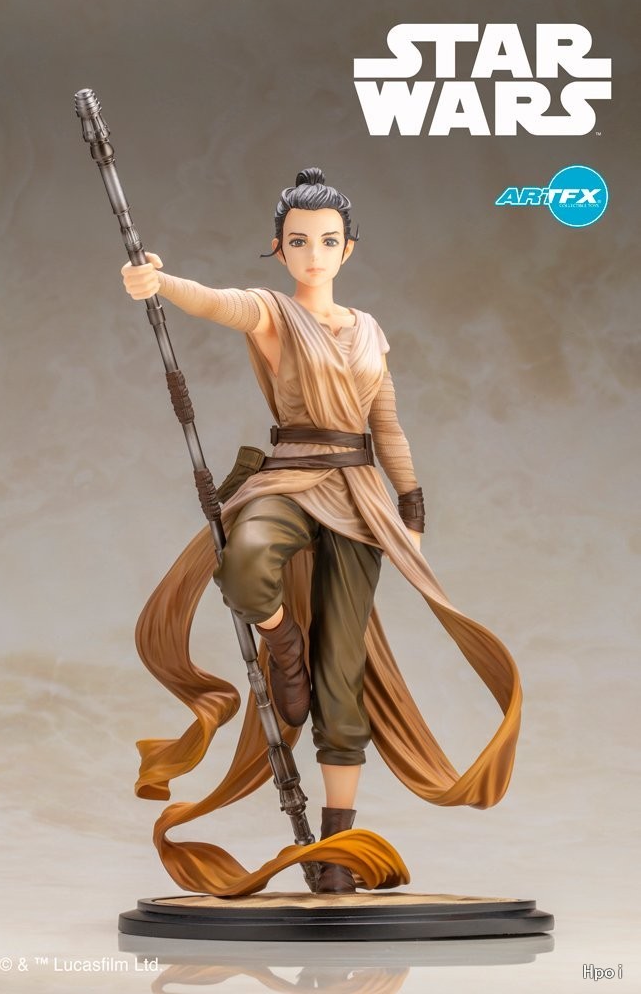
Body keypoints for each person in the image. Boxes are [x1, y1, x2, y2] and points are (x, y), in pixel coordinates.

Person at [122, 168, 522, 897]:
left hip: (359, 496)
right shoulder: (273, 313)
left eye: (328, 240)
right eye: (298, 241)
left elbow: (386, 425)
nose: (313, 253)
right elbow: (217, 301)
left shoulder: (367, 329)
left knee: (343, 674)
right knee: (244, 563)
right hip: (288, 478)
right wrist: (160, 282)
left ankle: (336, 844)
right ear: (278, 248)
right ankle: (284, 652)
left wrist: (411, 511)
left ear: (347, 249)